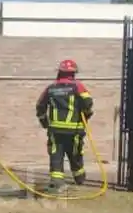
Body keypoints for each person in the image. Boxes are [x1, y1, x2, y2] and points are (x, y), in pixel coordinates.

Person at [35, 59, 95, 191]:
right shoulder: (78, 86)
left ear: (59, 73)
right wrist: (86, 114)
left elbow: (40, 106)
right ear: (73, 73)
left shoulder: (51, 88)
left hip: (55, 130)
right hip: (74, 130)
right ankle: (79, 178)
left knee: (56, 154)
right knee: (75, 153)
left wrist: (44, 122)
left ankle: (56, 181)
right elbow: (88, 103)